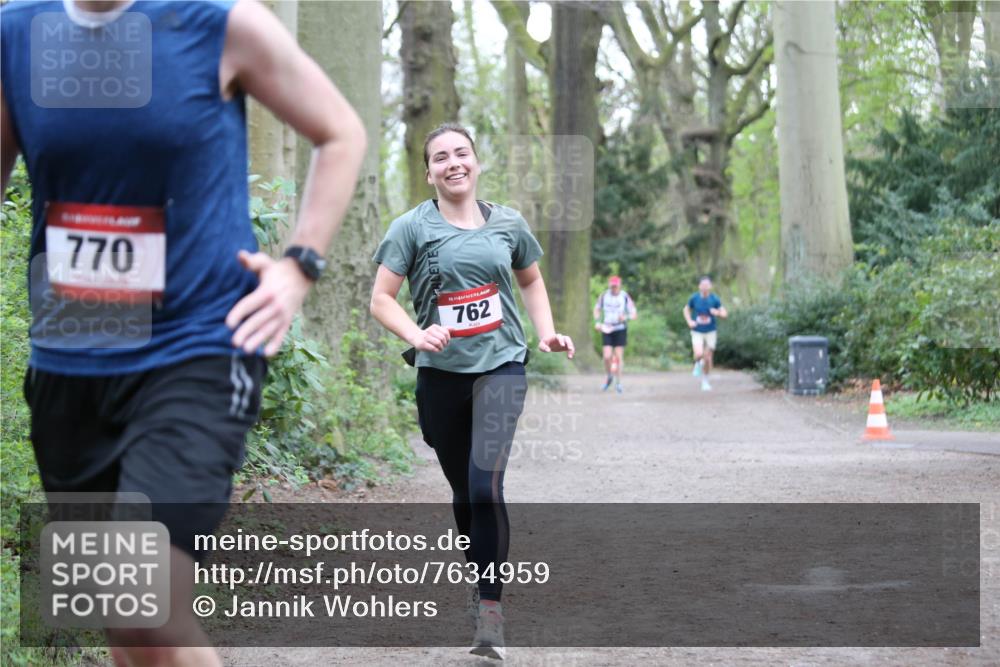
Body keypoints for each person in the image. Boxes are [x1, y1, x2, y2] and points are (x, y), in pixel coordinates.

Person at [1, 1, 366, 665]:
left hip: (195, 347)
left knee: (141, 594)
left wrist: (298, 265)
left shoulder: (221, 25)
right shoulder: (16, 36)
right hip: (70, 363)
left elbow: (340, 132)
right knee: (126, 623)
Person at [370, 123, 574, 660]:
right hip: (439, 377)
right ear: (429, 170)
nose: (453, 163)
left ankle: (490, 610)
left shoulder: (508, 222)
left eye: (462, 153)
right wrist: (417, 334)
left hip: (502, 365)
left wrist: (545, 330)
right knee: (464, 492)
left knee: (485, 487)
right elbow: (382, 299)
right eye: (441, 157)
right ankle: (481, 580)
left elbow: (529, 279)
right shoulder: (410, 228)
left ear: (477, 161)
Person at [593, 275, 637, 393]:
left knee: (618, 356)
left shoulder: (625, 296)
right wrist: (597, 322)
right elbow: (596, 309)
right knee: (607, 356)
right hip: (607, 328)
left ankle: (618, 382)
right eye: (612, 286)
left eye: (616, 286)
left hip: (620, 328)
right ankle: (609, 376)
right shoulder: (604, 296)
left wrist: (625, 317)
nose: (614, 289)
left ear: (619, 285)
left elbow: (634, 313)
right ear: (609, 285)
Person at [683, 276, 727, 391]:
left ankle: (705, 381)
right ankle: (697, 363)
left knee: (707, 358)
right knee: (698, 353)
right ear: (699, 286)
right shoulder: (694, 298)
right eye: (703, 285)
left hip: (710, 331)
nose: (705, 287)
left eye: (707, 285)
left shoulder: (714, 299)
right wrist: (689, 321)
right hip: (697, 330)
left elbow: (724, 313)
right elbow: (686, 309)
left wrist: (717, 312)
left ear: (710, 286)